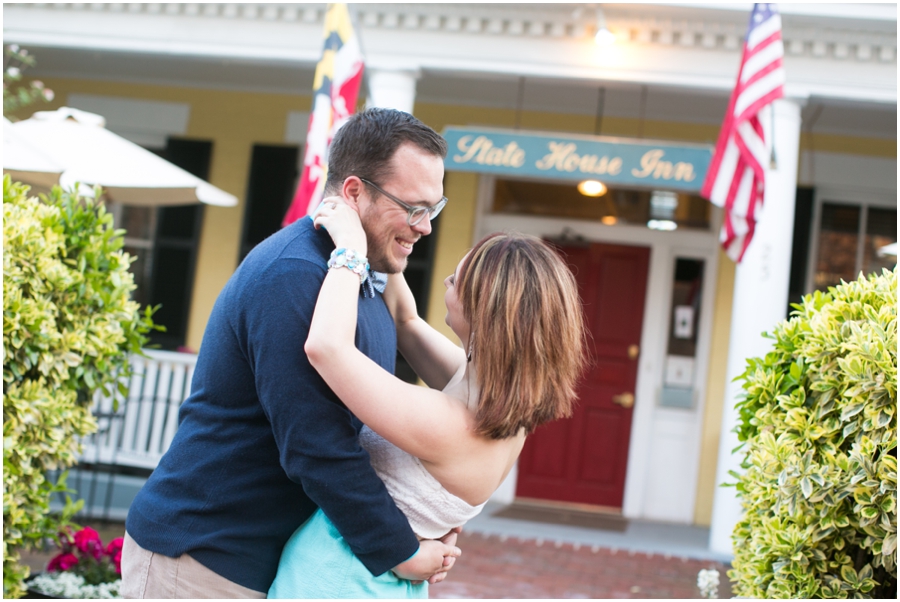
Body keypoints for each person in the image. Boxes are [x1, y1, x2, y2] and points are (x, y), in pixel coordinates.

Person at [121, 108, 461, 598]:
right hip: (205, 558)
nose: (426, 227)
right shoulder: (295, 276)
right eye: (413, 208)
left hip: (265, 561)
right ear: (352, 193)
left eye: (435, 207)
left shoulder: (361, 276)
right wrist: (400, 550)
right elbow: (315, 445)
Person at [267, 199, 587, 598]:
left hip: (340, 581)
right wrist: (384, 238)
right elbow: (405, 321)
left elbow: (327, 348)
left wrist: (350, 249)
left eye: (456, 280)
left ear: (484, 311)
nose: (445, 283)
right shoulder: (499, 401)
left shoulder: (451, 424)